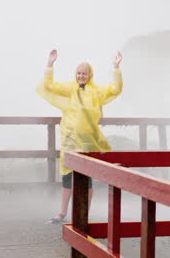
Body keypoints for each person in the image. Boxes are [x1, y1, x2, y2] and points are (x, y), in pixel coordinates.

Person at [37, 49, 123, 224]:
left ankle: (84, 214)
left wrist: (115, 67)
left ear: (89, 75)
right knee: (67, 174)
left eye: (84, 73)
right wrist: (49, 64)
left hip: (87, 140)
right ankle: (62, 213)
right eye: (79, 73)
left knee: (86, 176)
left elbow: (116, 88)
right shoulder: (70, 88)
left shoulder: (96, 91)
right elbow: (48, 86)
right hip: (69, 137)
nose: (81, 76)